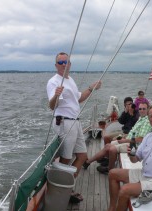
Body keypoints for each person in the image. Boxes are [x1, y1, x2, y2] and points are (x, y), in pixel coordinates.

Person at [46, 52, 101, 203]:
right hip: (64, 122)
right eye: (61, 62)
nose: (64, 64)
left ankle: (66, 186)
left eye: (66, 62)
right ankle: (62, 191)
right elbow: (52, 106)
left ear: (70, 64)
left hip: (75, 121)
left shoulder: (70, 80)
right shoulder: (54, 82)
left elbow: (79, 98)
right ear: (56, 65)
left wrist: (91, 88)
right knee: (66, 159)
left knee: (82, 156)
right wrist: (56, 96)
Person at [83, 102, 152, 175]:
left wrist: (124, 140)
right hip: (128, 139)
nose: (141, 110)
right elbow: (123, 123)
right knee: (108, 145)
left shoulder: (147, 121)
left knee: (112, 148)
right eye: (140, 109)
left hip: (134, 146)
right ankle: (89, 162)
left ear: (148, 110)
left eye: (144, 109)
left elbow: (141, 139)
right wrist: (125, 137)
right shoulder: (141, 118)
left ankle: (109, 170)